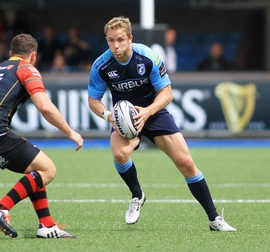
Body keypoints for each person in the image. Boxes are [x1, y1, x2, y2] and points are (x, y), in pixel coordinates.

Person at [87, 16, 236, 231]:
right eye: (111, 40)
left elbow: (167, 93)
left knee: (186, 162)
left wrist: (148, 111)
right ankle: (137, 195)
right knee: (119, 154)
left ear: (130, 38)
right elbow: (93, 100)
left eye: (120, 39)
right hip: (125, 118)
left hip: (153, 111)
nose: (116, 45)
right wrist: (109, 115)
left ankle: (214, 219)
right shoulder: (101, 65)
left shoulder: (147, 57)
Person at [0, 33, 83, 238]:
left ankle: (47, 225)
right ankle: (1, 207)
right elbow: (45, 107)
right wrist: (70, 132)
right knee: (48, 170)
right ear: (33, 56)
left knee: (36, 167)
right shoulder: (26, 68)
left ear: (10, 53)